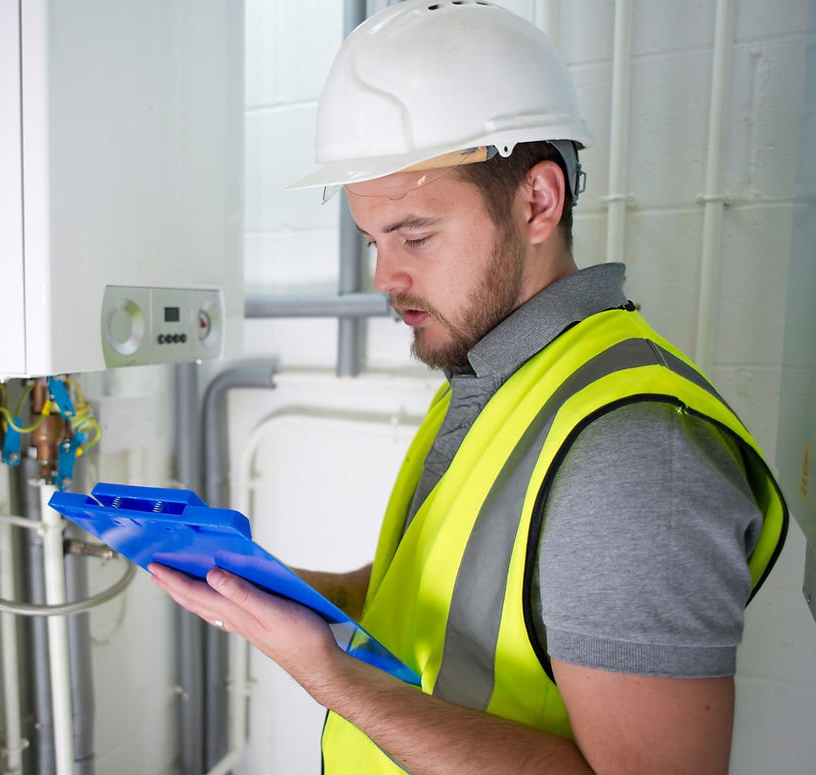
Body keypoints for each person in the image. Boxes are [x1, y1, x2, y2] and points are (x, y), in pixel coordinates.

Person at [151, 2, 788, 773]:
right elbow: (455, 609)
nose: (383, 277)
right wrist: (288, 591)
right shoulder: (495, 377)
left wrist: (326, 672)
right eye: (372, 240)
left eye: (414, 235)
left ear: (536, 202)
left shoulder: (632, 456)